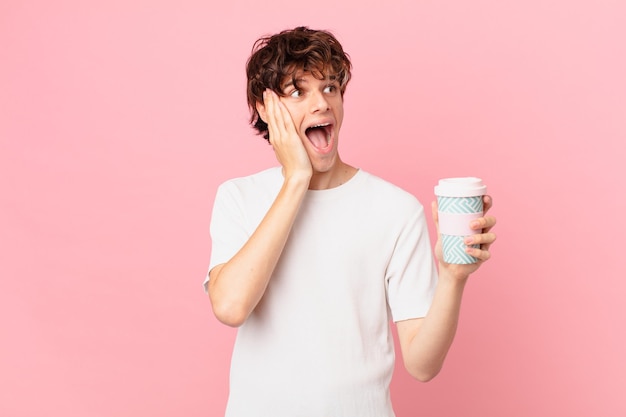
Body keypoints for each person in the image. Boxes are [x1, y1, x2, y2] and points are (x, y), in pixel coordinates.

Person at [204, 26, 497, 417]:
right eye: (298, 91)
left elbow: (423, 365)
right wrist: (296, 179)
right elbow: (230, 306)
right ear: (264, 108)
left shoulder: (396, 209)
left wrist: (453, 278)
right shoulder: (238, 198)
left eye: (329, 88)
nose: (322, 104)